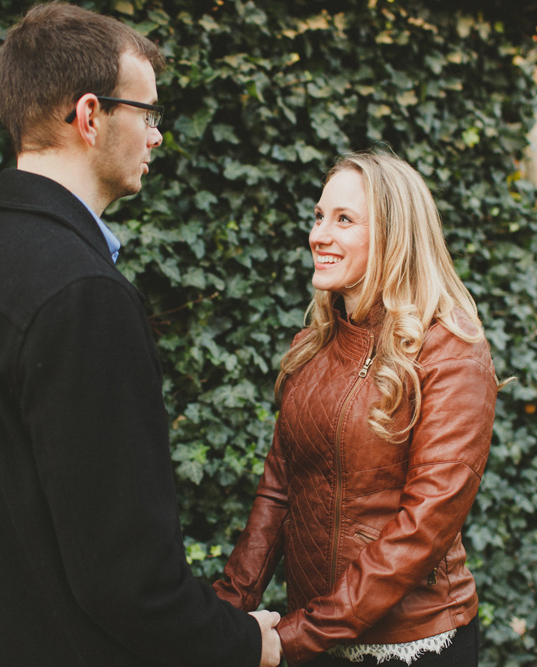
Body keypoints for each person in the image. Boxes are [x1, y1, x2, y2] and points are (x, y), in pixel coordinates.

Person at [0, 3, 280, 665]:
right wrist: (247, 640)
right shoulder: (83, 294)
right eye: (146, 113)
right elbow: (128, 578)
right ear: (90, 116)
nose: (157, 135)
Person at [214, 152, 499, 666]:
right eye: (319, 216)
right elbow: (278, 492)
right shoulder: (313, 347)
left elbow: (423, 527)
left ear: (396, 235)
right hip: (314, 635)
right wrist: (226, 612)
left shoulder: (452, 351)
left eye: (344, 220)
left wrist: (299, 635)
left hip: (410, 645)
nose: (319, 235)